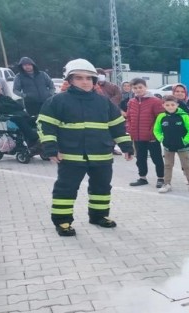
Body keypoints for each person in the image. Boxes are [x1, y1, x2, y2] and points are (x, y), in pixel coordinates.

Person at [37, 58, 133, 236]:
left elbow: (117, 126)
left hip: (101, 155)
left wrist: (126, 146)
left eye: (89, 78)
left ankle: (98, 216)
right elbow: (45, 126)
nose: (85, 81)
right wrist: (51, 148)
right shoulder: (57, 101)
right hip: (71, 155)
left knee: (102, 188)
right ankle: (63, 221)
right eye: (79, 78)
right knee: (66, 188)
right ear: (70, 80)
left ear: (94, 81)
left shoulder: (104, 102)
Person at [153, 95, 189, 194]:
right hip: (168, 146)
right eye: (167, 105)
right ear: (163, 105)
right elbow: (156, 130)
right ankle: (167, 184)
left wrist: (185, 141)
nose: (170, 107)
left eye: (173, 104)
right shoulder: (161, 117)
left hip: (183, 147)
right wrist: (161, 138)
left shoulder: (184, 116)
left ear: (177, 105)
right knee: (168, 165)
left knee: (187, 165)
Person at [126, 78, 166, 188]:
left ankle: (161, 178)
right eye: (135, 88)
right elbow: (129, 117)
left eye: (140, 87)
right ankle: (142, 178)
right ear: (132, 89)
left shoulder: (155, 101)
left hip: (152, 137)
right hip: (137, 137)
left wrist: (153, 132)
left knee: (156, 158)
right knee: (140, 158)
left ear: (146, 87)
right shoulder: (131, 102)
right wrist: (130, 129)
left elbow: (160, 118)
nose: (138, 90)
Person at [0, 81, 40, 148]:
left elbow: (20, 106)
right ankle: (33, 138)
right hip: (3, 120)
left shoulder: (5, 98)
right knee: (18, 119)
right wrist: (9, 106)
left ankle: (43, 138)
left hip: (21, 117)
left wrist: (5, 106)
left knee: (39, 118)